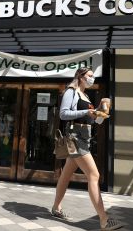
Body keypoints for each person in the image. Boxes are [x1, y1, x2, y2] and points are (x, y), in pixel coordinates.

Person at [51, 67, 124, 231]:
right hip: (75, 137)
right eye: (90, 76)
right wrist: (88, 110)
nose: (93, 79)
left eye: (93, 76)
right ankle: (104, 220)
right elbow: (63, 114)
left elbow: (92, 120)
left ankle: (56, 208)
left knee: (65, 175)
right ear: (81, 76)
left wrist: (101, 114)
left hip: (85, 137)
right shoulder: (72, 91)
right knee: (94, 174)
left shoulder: (86, 96)